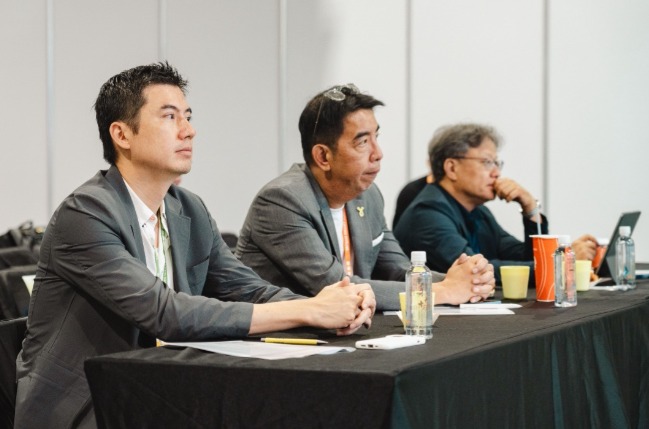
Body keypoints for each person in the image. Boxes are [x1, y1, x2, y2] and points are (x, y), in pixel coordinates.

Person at [14, 64, 375, 429]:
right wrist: (309, 311)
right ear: (122, 134)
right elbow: (165, 313)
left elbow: (248, 289)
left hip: (162, 392)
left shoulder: (187, 208)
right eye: (170, 117)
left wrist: (334, 305)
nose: (189, 130)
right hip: (87, 408)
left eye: (187, 116)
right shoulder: (85, 214)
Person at [236, 84, 495, 310]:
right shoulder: (282, 201)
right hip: (279, 341)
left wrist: (465, 280)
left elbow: (398, 271)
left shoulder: (368, 195)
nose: (378, 153)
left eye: (376, 137)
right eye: (362, 142)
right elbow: (337, 287)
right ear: (323, 156)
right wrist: (443, 291)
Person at [393, 123, 598, 284]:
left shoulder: (479, 212)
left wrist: (530, 209)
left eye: (497, 163)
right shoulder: (427, 213)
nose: (497, 173)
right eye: (487, 162)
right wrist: (561, 264)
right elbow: (476, 270)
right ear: (452, 168)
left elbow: (523, 257)